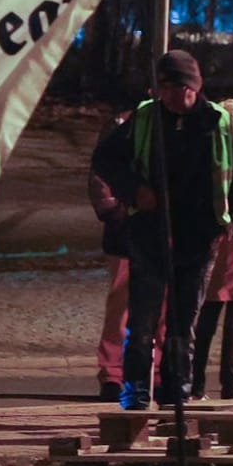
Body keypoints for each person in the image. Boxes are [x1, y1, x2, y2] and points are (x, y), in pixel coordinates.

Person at [94, 50, 233, 408]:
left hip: (198, 238)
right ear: (160, 89)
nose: (181, 99)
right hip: (150, 234)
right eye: (173, 90)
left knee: (183, 327)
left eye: (187, 91)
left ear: (197, 88)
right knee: (142, 324)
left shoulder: (219, 122)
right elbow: (104, 159)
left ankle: (177, 397)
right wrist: (134, 192)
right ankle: (135, 398)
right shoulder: (145, 118)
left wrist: (231, 216)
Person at [193, 96, 233, 401]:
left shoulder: (209, 151)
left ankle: (195, 385)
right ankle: (230, 387)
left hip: (216, 241)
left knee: (206, 318)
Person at [87, 108, 135, 402]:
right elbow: (100, 170)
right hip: (127, 228)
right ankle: (113, 373)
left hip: (161, 229)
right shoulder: (124, 123)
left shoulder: (186, 122)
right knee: (121, 304)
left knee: (163, 306)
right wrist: (114, 212)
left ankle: (152, 372)